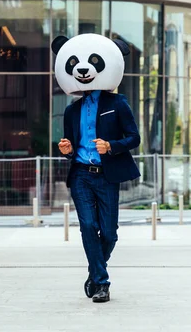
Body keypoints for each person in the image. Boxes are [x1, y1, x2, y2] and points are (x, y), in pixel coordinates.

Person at [51, 34, 141, 303]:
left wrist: (111, 146)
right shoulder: (71, 111)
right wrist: (67, 150)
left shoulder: (118, 104)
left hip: (107, 176)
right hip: (80, 175)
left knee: (110, 233)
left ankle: (93, 273)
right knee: (88, 226)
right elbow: (71, 144)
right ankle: (102, 283)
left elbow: (134, 138)